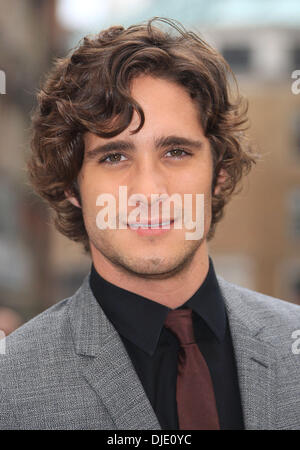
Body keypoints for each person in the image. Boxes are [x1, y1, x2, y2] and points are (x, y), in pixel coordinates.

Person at [0, 17, 299, 431]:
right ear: (72, 187)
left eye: (176, 151)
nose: (148, 189)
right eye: (114, 156)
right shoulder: (9, 389)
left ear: (220, 174)